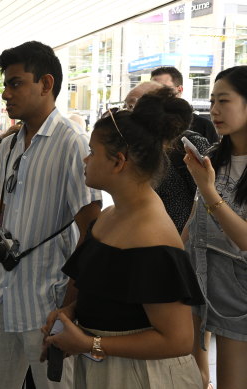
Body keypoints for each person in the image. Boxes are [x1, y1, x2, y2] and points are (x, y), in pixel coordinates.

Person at [41, 88, 204, 388]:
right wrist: (71, 312)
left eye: (93, 151)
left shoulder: (152, 235)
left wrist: (91, 344)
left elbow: (178, 340)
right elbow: (108, 293)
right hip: (105, 369)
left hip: (141, 376)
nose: (85, 159)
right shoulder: (110, 215)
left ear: (118, 161)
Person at [0, 41, 101, 389]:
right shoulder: (10, 144)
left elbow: (91, 233)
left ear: (45, 84)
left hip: (47, 302)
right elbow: (2, 226)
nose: (6, 93)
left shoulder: (72, 144)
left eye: (15, 83)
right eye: (4, 85)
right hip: (3, 296)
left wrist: (70, 310)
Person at [183, 65, 247, 389]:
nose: (214, 110)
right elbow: (198, 216)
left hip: (239, 292)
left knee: (232, 382)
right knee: (195, 376)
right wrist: (176, 252)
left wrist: (208, 189)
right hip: (199, 273)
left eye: (224, 101)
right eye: (211, 101)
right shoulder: (214, 154)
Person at [125, 81, 212, 232]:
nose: (129, 114)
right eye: (127, 107)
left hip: (180, 238)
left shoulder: (190, 144)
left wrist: (182, 244)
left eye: (133, 106)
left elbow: (206, 200)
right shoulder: (135, 147)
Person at [151, 66, 219, 144]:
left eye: (163, 88)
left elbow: (214, 155)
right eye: (152, 88)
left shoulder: (203, 126)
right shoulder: (143, 124)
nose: (156, 93)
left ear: (179, 89)